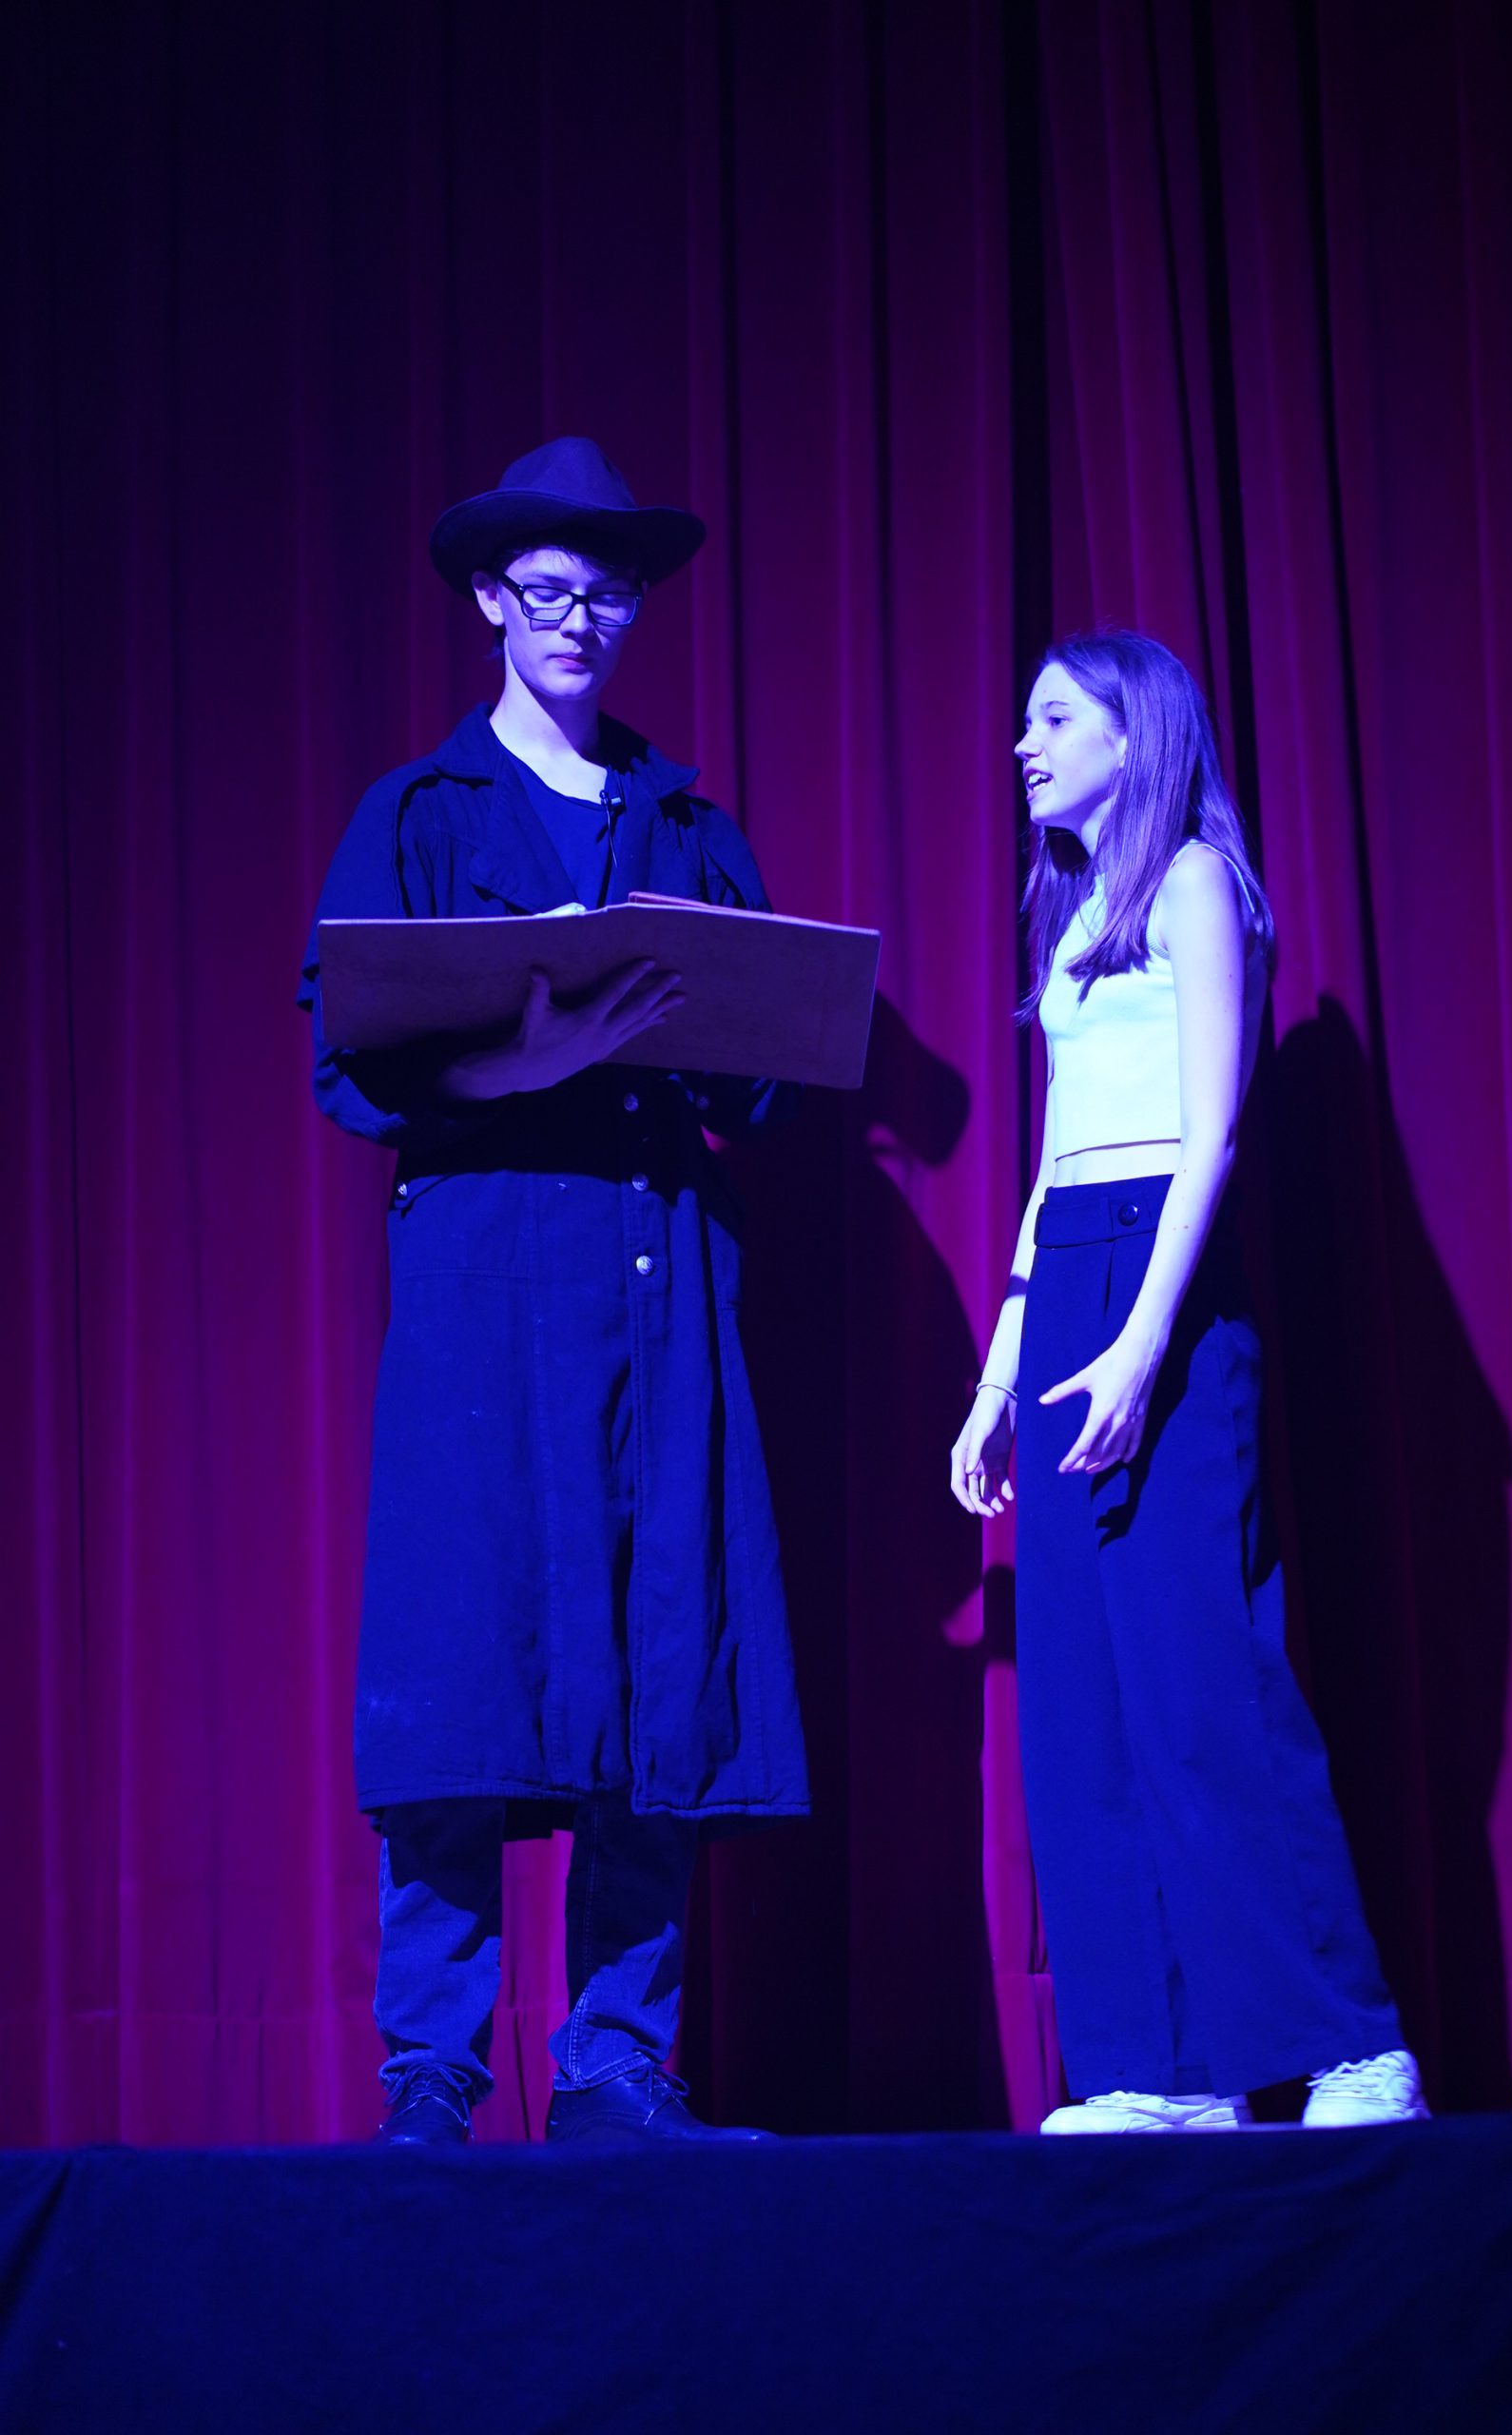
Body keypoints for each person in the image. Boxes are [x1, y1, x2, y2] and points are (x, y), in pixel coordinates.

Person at [300, 437, 807, 2146]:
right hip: (485, 1275)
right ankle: (434, 2069)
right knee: (461, 1654)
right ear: (487, 600)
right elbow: (352, 1059)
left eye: (609, 591)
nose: (578, 617)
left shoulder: (686, 821)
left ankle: (612, 2064)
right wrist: (523, 1062)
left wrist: (710, 1030)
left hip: (657, 1274)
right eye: (546, 588)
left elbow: (763, 1072)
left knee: (662, 1649)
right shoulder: (419, 814)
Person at [950, 631, 1427, 2133]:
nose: (1023, 744)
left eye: (1052, 718)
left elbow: (1206, 1128)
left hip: (1163, 1279)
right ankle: (1151, 2073)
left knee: (1202, 1680)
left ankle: (1347, 2045)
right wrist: (999, 1373)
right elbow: (1055, 1165)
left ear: (1129, 734)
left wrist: (1143, 1341)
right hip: (1072, 1281)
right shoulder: (1073, 915)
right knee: (1081, 1706)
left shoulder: (1195, 883)